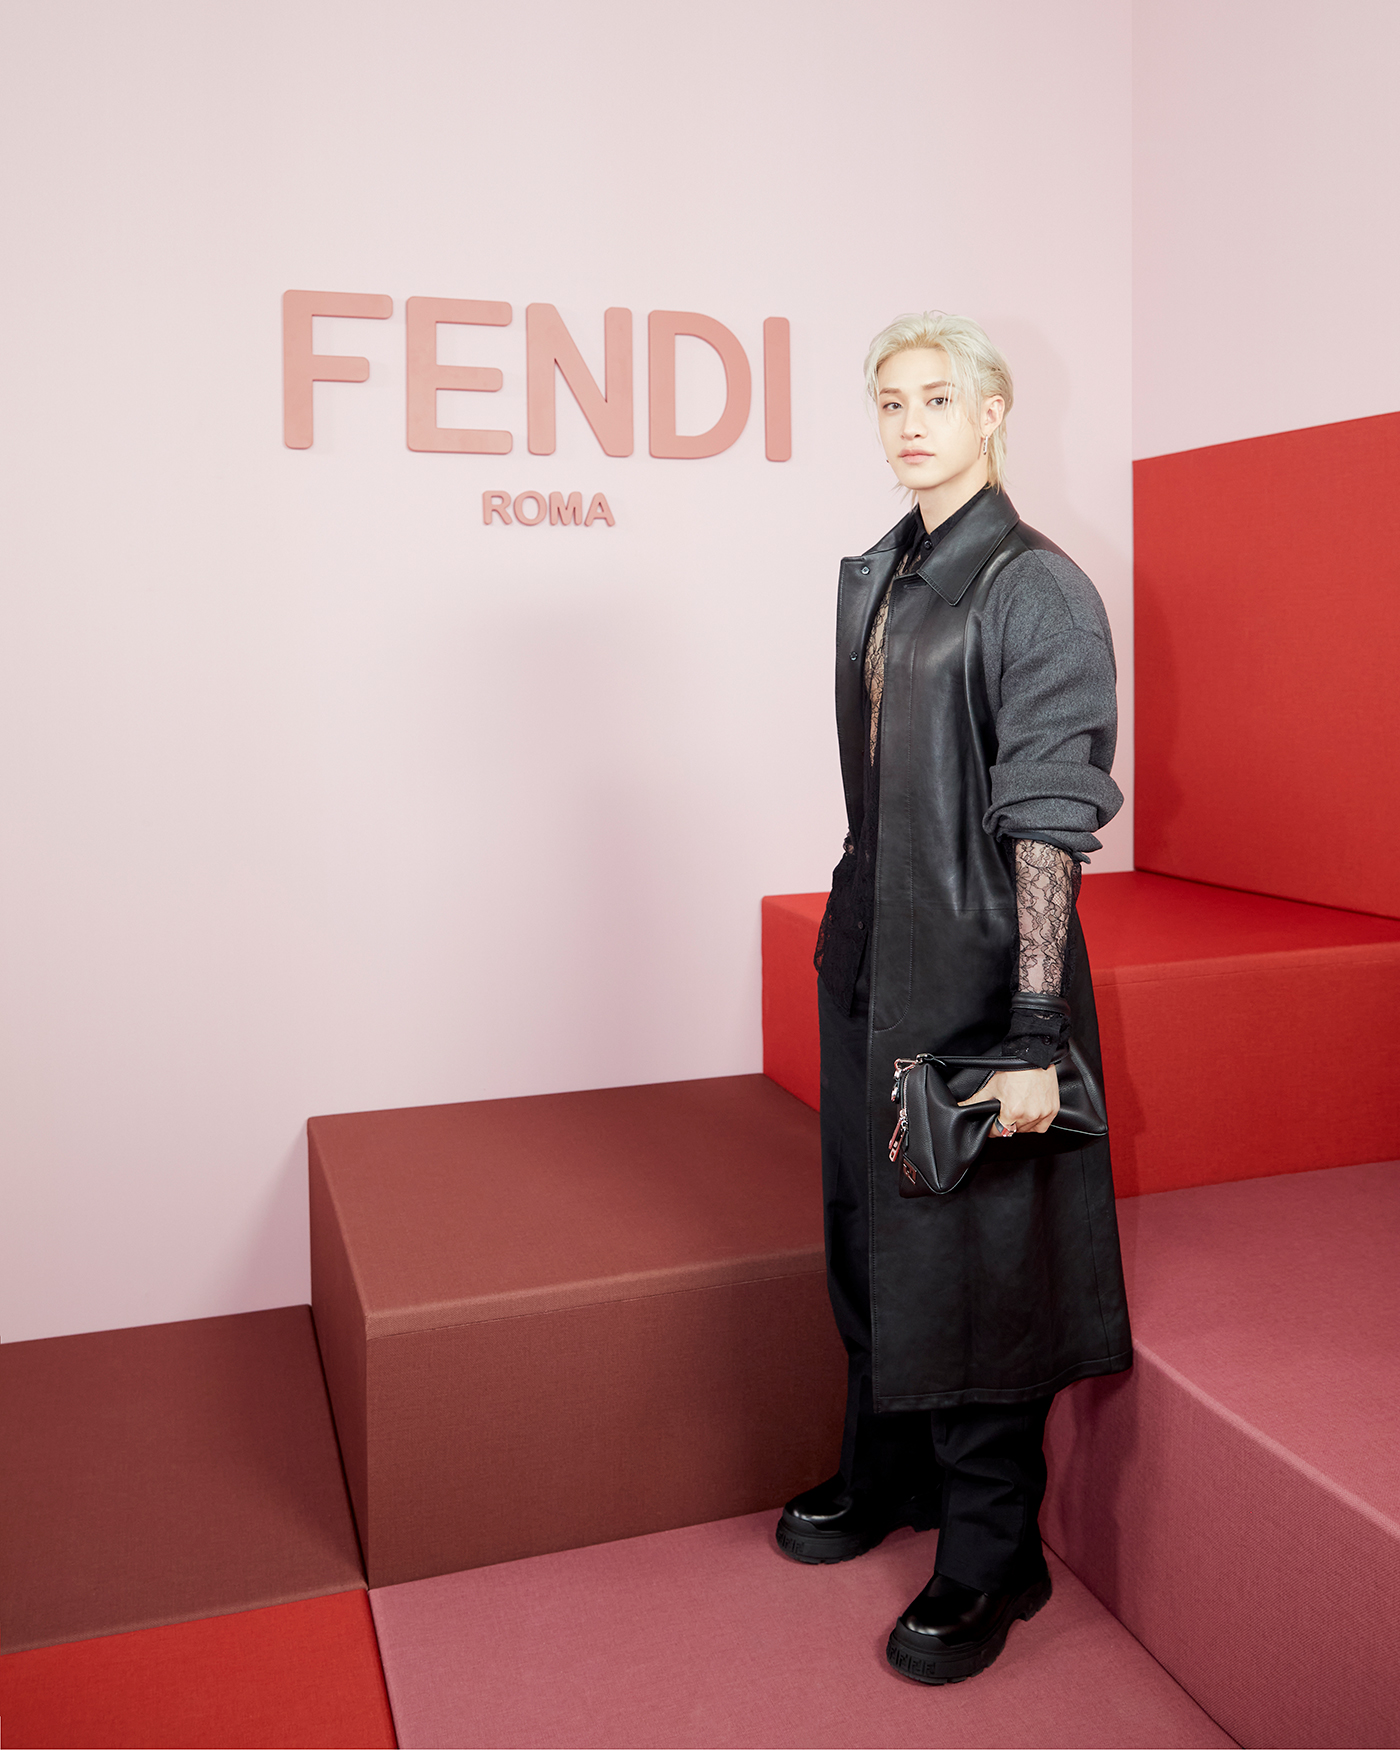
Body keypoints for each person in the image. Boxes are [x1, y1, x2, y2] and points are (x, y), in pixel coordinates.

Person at [775, 312, 1132, 1687]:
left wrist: (1034, 1032)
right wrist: (847, 946)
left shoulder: (1035, 587)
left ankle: (992, 1553)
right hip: (873, 958)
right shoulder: (887, 572)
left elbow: (1048, 819)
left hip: (985, 980)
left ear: (992, 414)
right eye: (890, 401)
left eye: (937, 398)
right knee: (869, 1233)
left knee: (981, 1269)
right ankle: (888, 1473)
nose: (910, 422)